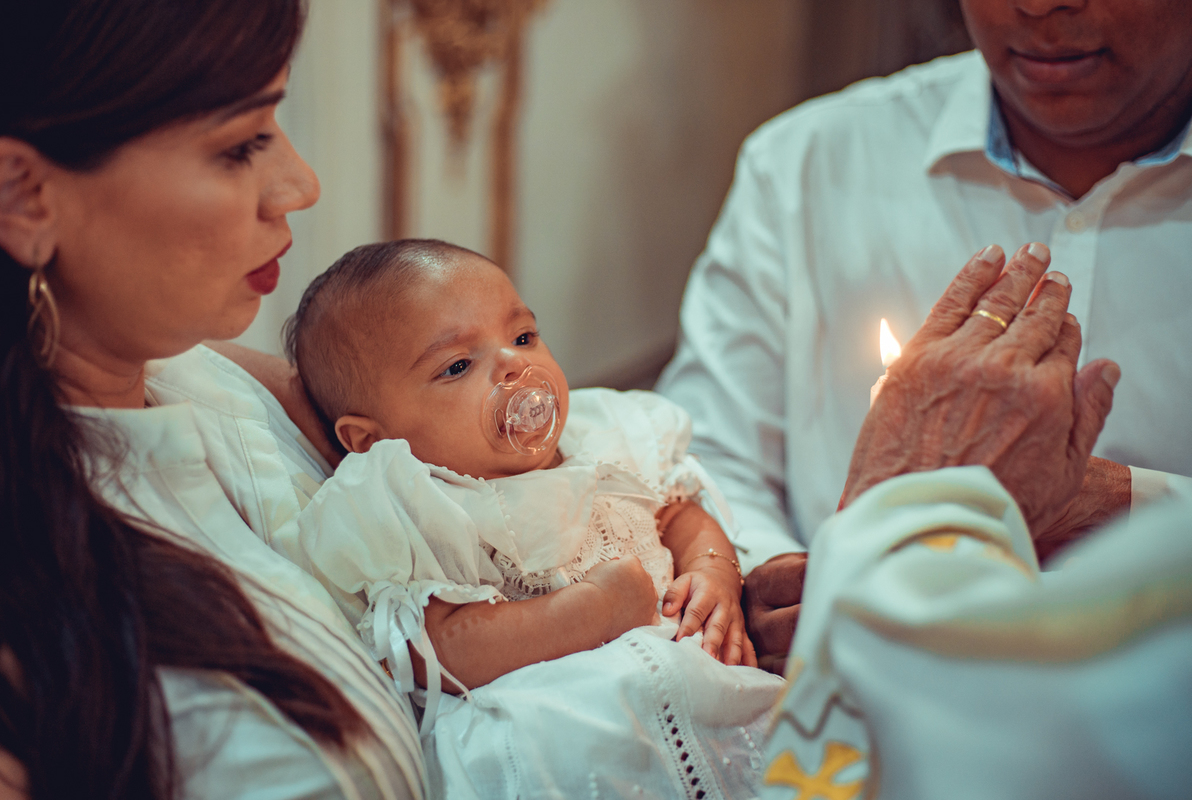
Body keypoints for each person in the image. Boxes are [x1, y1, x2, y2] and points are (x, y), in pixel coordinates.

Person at [655, 0, 1192, 665]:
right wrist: (777, 584)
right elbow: (709, 455)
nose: (1037, 4)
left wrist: (1124, 507)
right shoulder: (805, 162)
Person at [0, 2, 424, 797]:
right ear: (24, 195)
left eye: (277, 120)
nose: (299, 184)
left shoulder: (215, 376)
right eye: (240, 144)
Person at [282, 239, 786, 798]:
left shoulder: (602, 441)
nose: (514, 365)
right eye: (458, 366)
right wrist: (590, 611)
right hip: (560, 736)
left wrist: (714, 570)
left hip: (708, 696)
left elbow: (680, 513)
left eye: (522, 336)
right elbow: (438, 649)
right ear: (374, 439)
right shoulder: (424, 504)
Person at [759, 234, 1190, 798]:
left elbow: (966, 746)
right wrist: (763, 584)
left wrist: (1131, 501)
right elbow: (720, 450)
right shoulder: (794, 158)